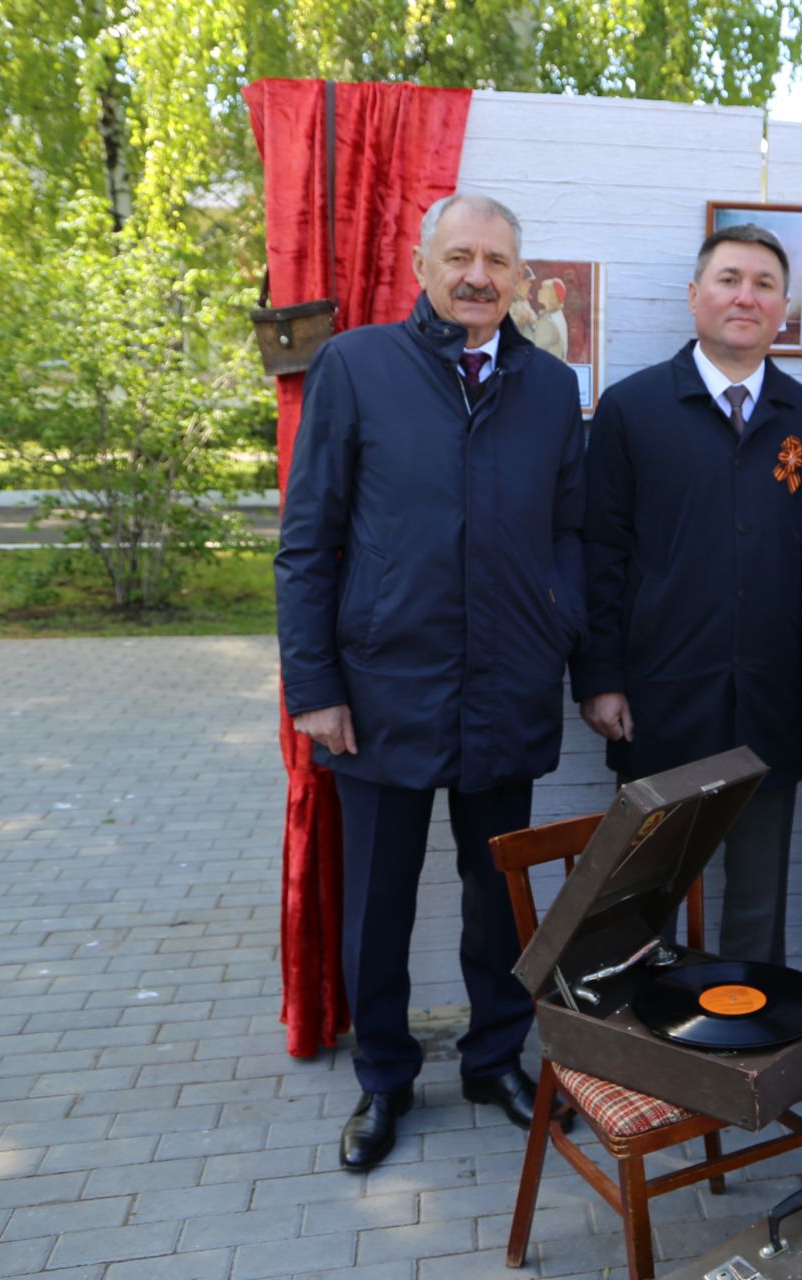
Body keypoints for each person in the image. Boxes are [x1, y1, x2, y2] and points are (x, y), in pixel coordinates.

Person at [275, 192, 586, 1172]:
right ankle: (384, 1075)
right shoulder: (357, 367)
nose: (477, 276)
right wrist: (315, 684)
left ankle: (497, 1055)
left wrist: (557, 623)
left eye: (496, 258)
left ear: (519, 274)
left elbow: (570, 530)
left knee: (499, 897)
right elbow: (307, 541)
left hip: (506, 686)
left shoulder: (549, 385)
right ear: (421, 263)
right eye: (459, 255)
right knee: (377, 902)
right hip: (379, 695)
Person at [574, 225, 802, 966]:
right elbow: (602, 554)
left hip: (773, 704)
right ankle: (640, 1057)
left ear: (785, 307)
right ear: (695, 296)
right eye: (728, 279)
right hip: (658, 702)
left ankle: (744, 1062)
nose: (744, 296)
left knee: (757, 906)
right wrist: (599, 678)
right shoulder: (632, 409)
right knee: (641, 902)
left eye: (763, 284)